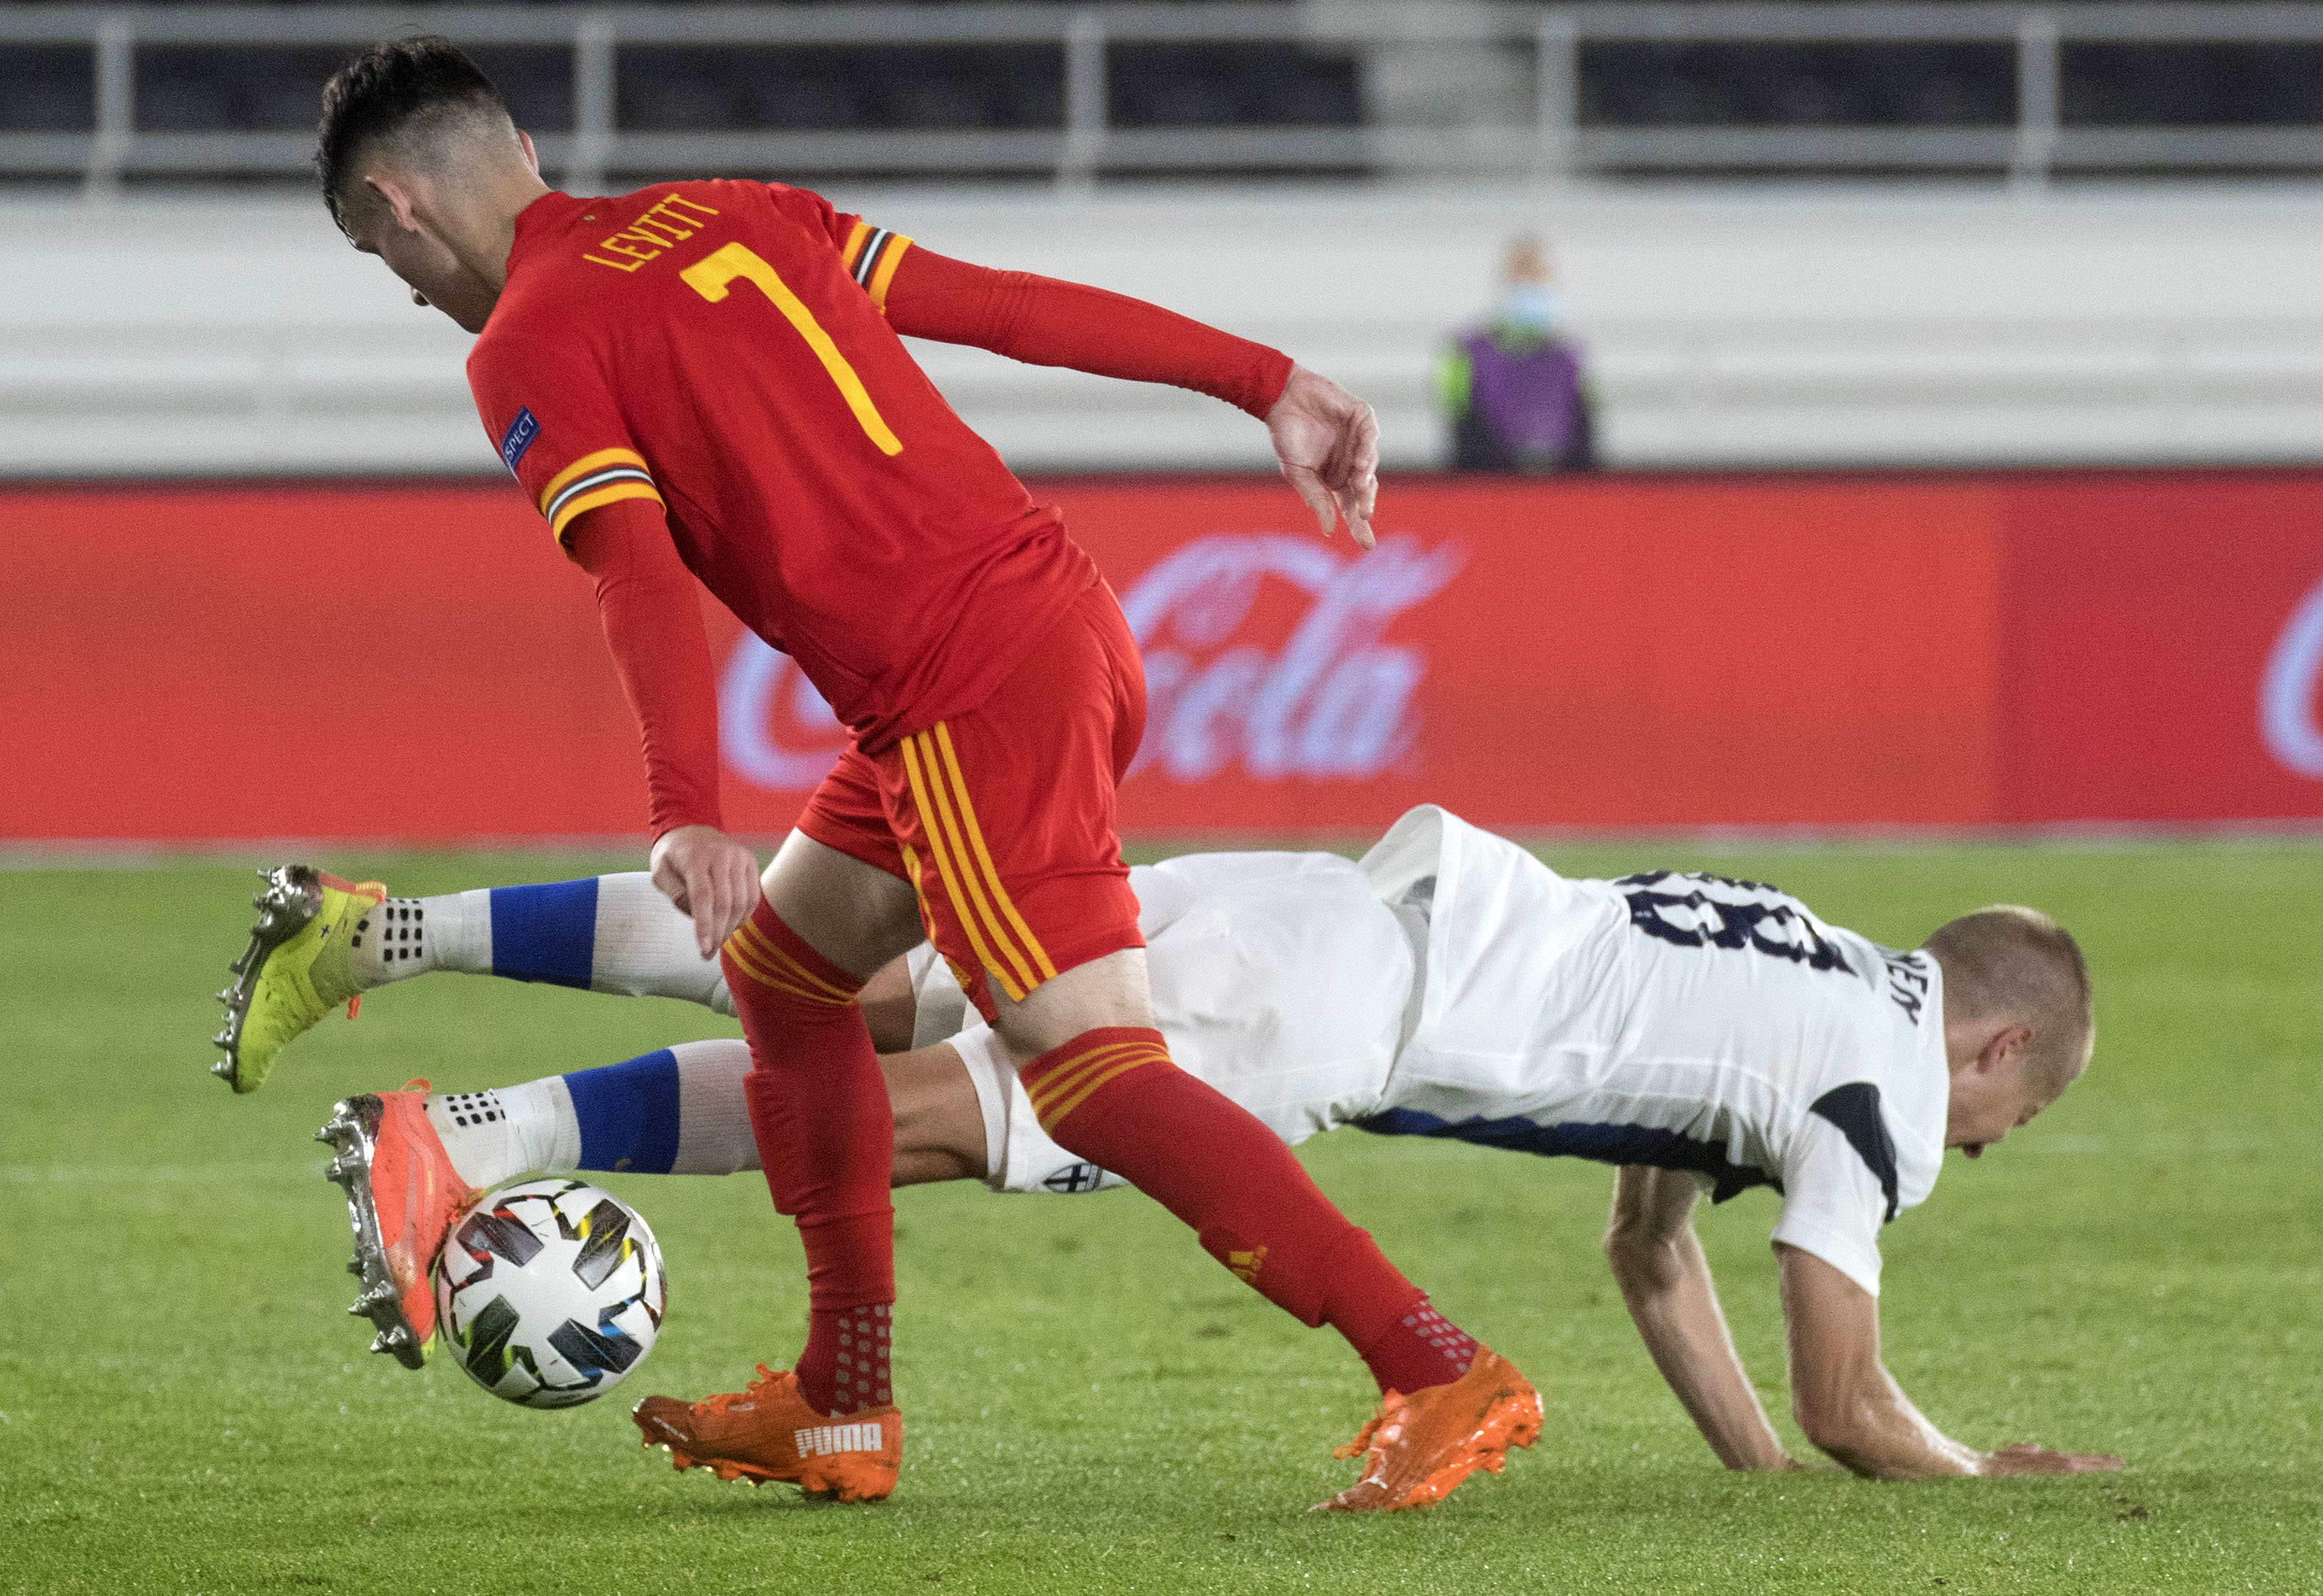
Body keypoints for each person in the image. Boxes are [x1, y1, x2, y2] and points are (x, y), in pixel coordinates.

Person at [228, 36, 1532, 1511]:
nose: (402, 289)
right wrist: (1262, 381)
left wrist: (686, 812)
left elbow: (636, 577)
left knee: (1093, 1070)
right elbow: (1006, 311)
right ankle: (842, 1403)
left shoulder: (522, 343)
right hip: (1032, 626)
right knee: (788, 979)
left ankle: (1433, 1362)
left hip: (966, 688)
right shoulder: (736, 210)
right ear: (521, 137)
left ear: (401, 208)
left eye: (372, 252)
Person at [281, 804, 2120, 1484]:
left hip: (1319, 907)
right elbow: (1850, 1396)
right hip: (1324, 1025)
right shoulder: (1884, 1088)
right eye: (2006, 1119)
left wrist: (1758, 1486)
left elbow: (1650, 1250)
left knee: (878, 972)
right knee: (926, 1120)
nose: (1982, 1145)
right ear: (1997, 1041)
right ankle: (461, 1132)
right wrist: (1971, 1471)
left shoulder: (1793, 950)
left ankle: (385, 935)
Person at [1436, 236, 1597, 473]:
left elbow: (1585, 433)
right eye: (1522, 272)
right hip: (1490, 487)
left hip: (1561, 491)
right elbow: (1460, 431)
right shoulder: (1465, 352)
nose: (1530, 283)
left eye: (1538, 273)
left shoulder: (1570, 356)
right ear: (1505, 280)